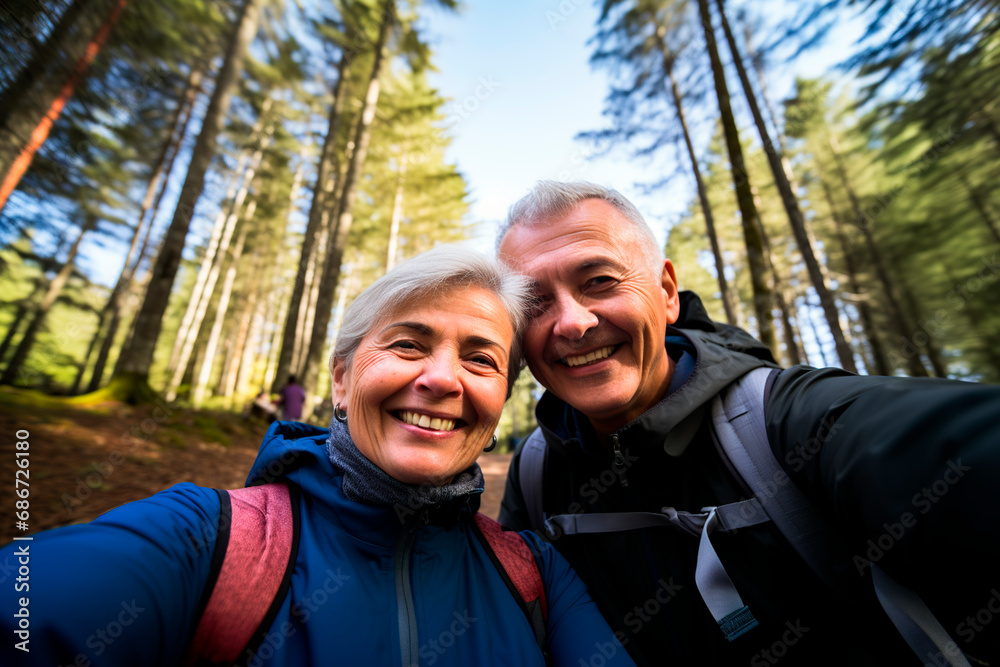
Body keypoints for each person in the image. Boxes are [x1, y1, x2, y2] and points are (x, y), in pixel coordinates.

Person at [0, 244, 634, 667]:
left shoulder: (537, 574)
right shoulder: (205, 541)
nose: (444, 379)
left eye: (480, 358)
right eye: (409, 345)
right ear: (340, 379)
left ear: (500, 403)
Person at [496, 180, 1000, 666]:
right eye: (536, 302)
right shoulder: (536, 474)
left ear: (667, 292)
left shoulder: (791, 422)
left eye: (600, 281)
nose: (573, 323)